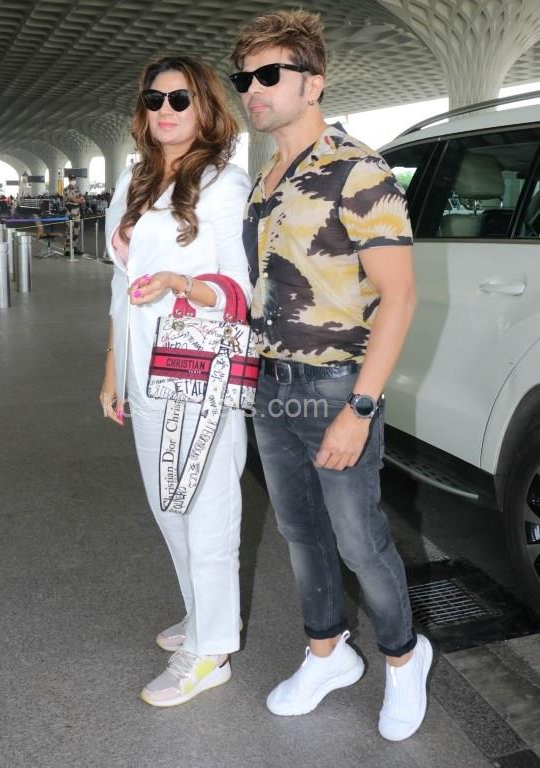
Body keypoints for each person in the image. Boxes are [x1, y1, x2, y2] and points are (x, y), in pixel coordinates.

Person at [229, 9, 432, 742]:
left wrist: (360, 408)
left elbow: (400, 298)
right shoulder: (264, 179)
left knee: (358, 538)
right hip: (270, 384)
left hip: (334, 386)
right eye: (243, 78)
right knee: (299, 531)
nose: (253, 90)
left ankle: (404, 657)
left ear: (313, 82)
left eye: (269, 75)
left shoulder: (359, 168)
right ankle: (326, 654)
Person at [100, 55, 251, 707]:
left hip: (199, 366)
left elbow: (242, 287)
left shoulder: (223, 182)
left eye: (180, 98)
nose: (165, 109)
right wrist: (112, 369)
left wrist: (182, 283)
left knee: (206, 504)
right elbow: (120, 285)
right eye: (154, 98)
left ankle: (211, 651)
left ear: (204, 107)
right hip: (143, 364)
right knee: (167, 503)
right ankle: (200, 611)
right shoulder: (134, 179)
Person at [63, 174, 85, 255]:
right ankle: (67, 249)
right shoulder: (66, 189)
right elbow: (72, 199)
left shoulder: (77, 189)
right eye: (72, 179)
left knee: (76, 231)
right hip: (70, 212)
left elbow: (82, 199)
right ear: (69, 180)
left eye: (74, 179)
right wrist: (78, 200)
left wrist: (79, 200)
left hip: (77, 212)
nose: (73, 180)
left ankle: (74, 247)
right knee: (69, 231)